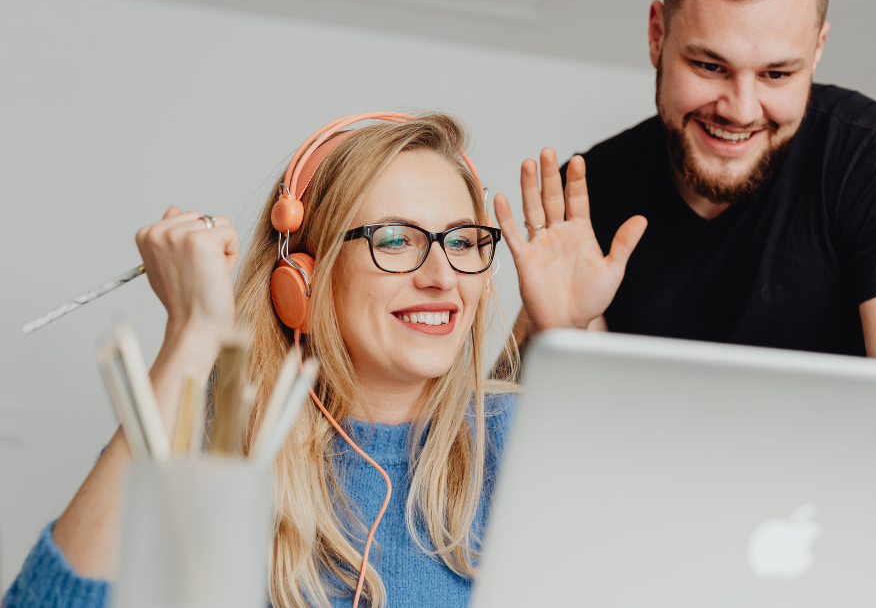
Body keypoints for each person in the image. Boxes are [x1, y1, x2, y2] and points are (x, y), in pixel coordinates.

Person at [3, 114, 644, 608]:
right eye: (395, 239)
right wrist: (193, 334)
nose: (442, 275)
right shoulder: (222, 441)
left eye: (462, 241)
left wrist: (566, 339)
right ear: (301, 279)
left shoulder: (515, 441)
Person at [510, 0, 876, 368]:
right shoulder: (586, 194)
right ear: (658, 35)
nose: (741, 110)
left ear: (817, 49)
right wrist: (560, 335)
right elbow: (502, 451)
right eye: (710, 66)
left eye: (776, 74)